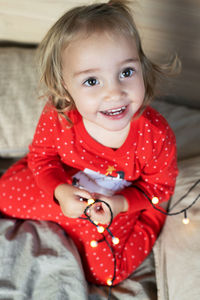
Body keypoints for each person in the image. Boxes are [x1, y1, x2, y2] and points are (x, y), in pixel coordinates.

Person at [0, 0, 178, 286]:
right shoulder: (60, 115)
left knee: (107, 273)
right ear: (64, 88)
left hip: (116, 201)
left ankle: (125, 223)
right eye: (92, 81)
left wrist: (119, 205)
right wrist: (59, 192)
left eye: (126, 72)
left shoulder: (154, 134)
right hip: (65, 184)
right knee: (4, 195)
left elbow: (160, 187)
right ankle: (66, 217)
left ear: (142, 68)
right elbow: (42, 158)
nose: (114, 92)